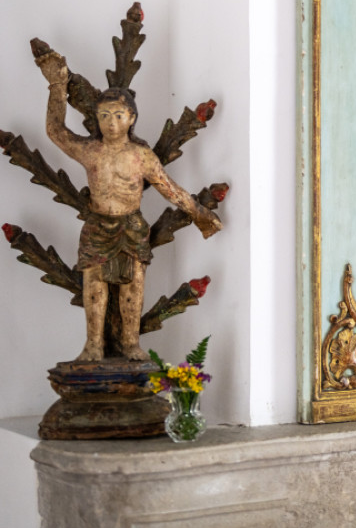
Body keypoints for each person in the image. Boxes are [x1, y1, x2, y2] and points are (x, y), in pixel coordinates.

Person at [37, 50, 222, 362]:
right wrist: (57, 85)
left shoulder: (141, 156)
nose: (111, 123)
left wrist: (199, 214)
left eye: (118, 116)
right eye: (105, 116)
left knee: (132, 289)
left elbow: (170, 190)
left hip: (131, 226)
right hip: (97, 226)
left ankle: (130, 343)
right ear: (97, 119)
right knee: (94, 287)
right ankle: (93, 345)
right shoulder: (89, 150)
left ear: (132, 118)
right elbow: (56, 132)